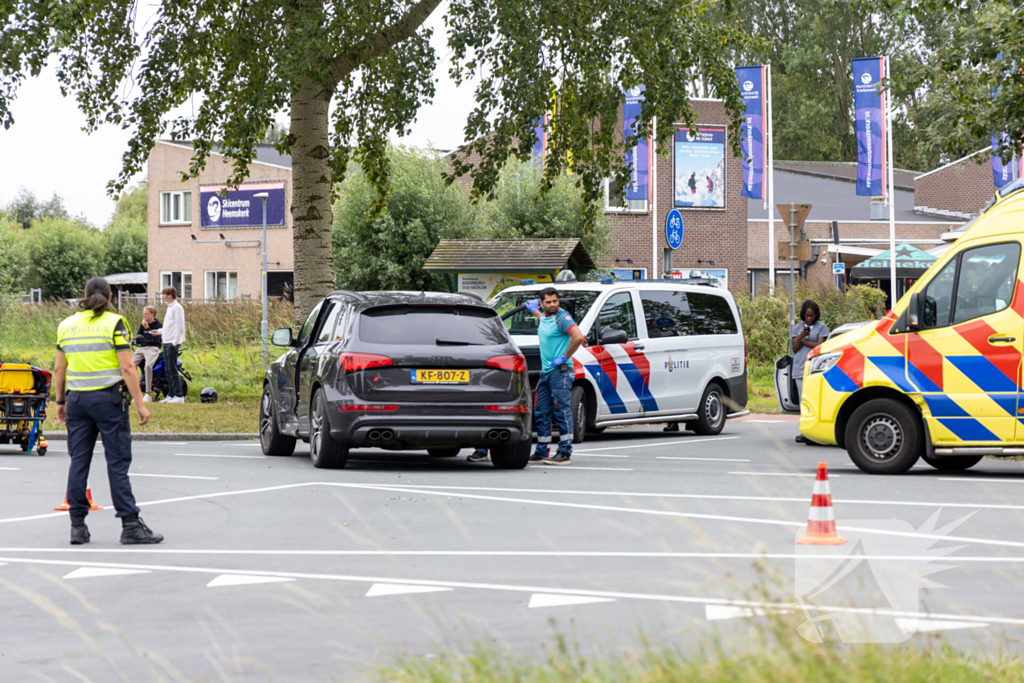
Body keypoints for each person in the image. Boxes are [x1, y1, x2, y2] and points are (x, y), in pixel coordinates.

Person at [53, 277, 163, 545]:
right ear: (111, 297)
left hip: (77, 401)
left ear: (85, 295)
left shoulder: (66, 325)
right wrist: (140, 403)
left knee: (78, 461)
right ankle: (130, 525)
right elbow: (127, 368)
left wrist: (60, 402)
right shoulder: (115, 323)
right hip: (108, 402)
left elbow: (59, 369)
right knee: (117, 463)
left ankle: (77, 526)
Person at [527, 287, 585, 465]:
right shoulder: (545, 317)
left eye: (555, 301)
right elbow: (543, 319)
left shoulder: (562, 317)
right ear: (542, 303)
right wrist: (534, 311)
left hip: (561, 372)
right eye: (549, 302)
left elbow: (578, 336)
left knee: (562, 411)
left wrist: (564, 358)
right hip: (546, 373)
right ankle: (542, 450)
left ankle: (564, 452)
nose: (553, 305)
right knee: (541, 412)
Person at [791, 300, 829, 444]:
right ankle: (804, 431)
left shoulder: (822, 327)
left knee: (815, 400)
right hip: (800, 366)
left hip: (816, 367)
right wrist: (800, 337)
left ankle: (816, 430)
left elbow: (819, 345)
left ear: (816, 315)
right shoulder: (797, 328)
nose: (809, 319)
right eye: (807, 316)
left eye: (812, 316)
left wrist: (802, 341)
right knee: (803, 400)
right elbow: (794, 349)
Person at [160, 286, 186, 403]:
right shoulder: (169, 308)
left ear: (171, 295)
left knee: (172, 369)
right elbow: (169, 326)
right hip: (166, 341)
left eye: (165, 294)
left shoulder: (177, 307)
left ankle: (179, 396)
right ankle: (171, 394)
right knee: (168, 369)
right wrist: (159, 332)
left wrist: (176, 341)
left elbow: (179, 326)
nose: (163, 296)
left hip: (172, 342)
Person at [132, 305, 163, 402]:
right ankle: (137, 393)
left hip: (153, 348)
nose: (144, 316)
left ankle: (148, 394)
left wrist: (148, 328)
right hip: (142, 348)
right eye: (143, 314)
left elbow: (155, 339)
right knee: (130, 366)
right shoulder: (143, 324)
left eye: (146, 314)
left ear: (152, 314)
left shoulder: (159, 325)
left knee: (148, 366)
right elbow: (139, 336)